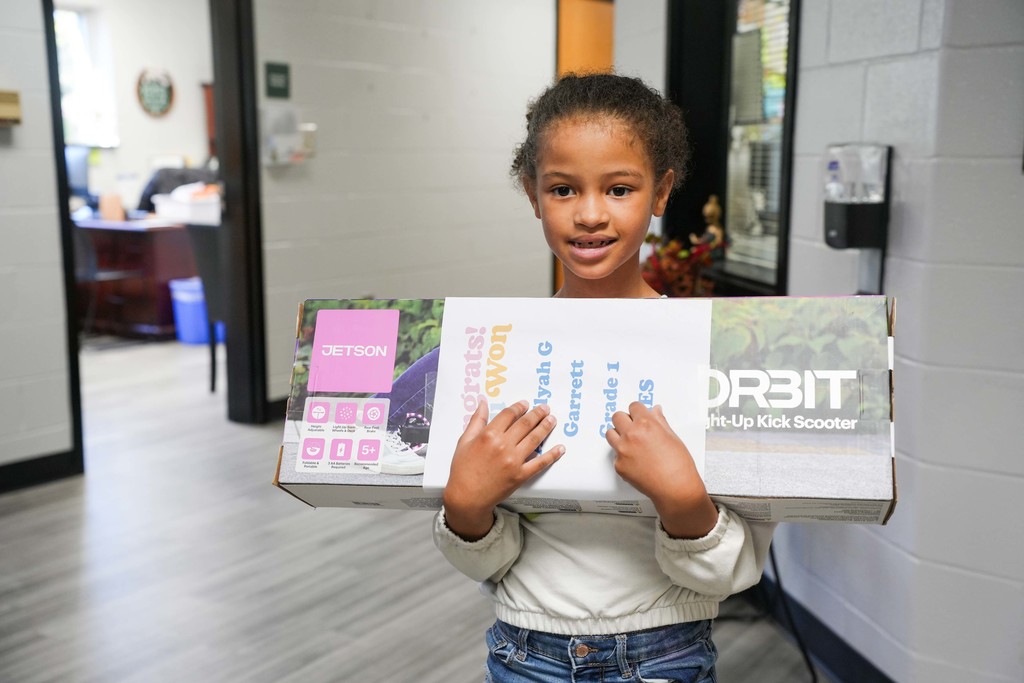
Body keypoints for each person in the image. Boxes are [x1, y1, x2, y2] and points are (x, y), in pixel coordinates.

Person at [432, 73, 776, 683]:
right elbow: (493, 559)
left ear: (661, 192)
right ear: (532, 193)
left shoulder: (712, 357)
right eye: (563, 189)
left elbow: (733, 572)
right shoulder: (497, 355)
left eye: (620, 189)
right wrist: (464, 507)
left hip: (665, 656)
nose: (590, 215)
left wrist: (684, 502)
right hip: (522, 655)